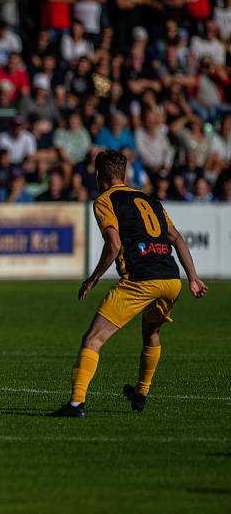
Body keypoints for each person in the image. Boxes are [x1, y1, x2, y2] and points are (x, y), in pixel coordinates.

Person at [48, 150, 208, 417]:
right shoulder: (150, 199)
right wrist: (192, 277)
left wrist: (93, 277)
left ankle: (76, 404)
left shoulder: (104, 201)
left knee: (92, 339)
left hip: (140, 281)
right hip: (171, 279)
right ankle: (141, 393)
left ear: (99, 175)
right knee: (152, 334)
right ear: (123, 174)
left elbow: (114, 245)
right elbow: (177, 238)